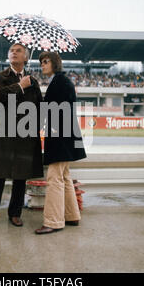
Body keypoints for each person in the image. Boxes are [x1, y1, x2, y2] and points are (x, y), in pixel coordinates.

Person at [0, 43, 43, 232]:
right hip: (4, 133)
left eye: (18, 51)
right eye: (11, 51)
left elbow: (39, 107)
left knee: (20, 177)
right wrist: (19, 85)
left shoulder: (32, 81)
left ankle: (15, 214)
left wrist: (36, 127)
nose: (14, 53)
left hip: (25, 135)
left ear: (26, 57)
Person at [35, 52, 87, 235]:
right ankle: (72, 215)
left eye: (46, 62)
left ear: (55, 63)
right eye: (41, 62)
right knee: (64, 177)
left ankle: (54, 222)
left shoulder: (59, 82)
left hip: (60, 137)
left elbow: (51, 109)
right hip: (65, 136)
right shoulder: (61, 81)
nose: (42, 65)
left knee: (54, 178)